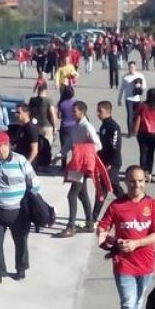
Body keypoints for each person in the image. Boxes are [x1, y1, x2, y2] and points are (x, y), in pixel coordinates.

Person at [96, 165, 155, 309]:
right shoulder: (116, 206)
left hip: (146, 266)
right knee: (128, 305)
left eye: (141, 180)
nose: (137, 185)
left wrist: (136, 243)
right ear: (125, 182)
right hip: (124, 266)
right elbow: (101, 231)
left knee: (137, 303)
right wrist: (115, 243)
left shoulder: (153, 205)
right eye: (133, 181)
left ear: (146, 181)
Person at [0, 132, 41, 288]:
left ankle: (21, 268)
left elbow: (34, 183)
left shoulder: (20, 161)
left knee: (20, 241)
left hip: (18, 211)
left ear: (7, 145)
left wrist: (31, 199)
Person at [57, 101, 102, 237]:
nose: (72, 113)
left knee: (72, 195)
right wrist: (60, 155)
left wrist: (84, 151)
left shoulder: (87, 127)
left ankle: (70, 226)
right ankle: (89, 223)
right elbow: (69, 143)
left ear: (82, 112)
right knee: (82, 194)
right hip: (77, 163)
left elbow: (98, 145)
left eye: (74, 111)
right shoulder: (74, 127)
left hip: (83, 165)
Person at [134, 89, 155, 178]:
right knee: (151, 153)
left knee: (143, 152)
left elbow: (136, 115)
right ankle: (149, 172)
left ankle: (143, 171)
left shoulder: (142, 106)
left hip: (142, 132)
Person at [96, 101, 124, 200]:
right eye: (97, 111)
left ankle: (126, 202)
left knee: (113, 184)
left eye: (100, 111)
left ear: (108, 111)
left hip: (113, 162)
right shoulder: (103, 126)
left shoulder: (113, 127)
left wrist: (111, 162)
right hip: (105, 162)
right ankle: (94, 215)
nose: (98, 114)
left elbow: (116, 147)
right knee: (102, 187)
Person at [27, 80, 58, 156]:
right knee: (47, 145)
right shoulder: (49, 100)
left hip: (34, 126)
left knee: (36, 145)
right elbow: (52, 114)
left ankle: (37, 160)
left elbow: (28, 112)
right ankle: (45, 161)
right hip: (46, 126)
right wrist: (55, 127)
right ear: (46, 90)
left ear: (38, 90)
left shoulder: (32, 100)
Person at [118, 62, 145, 135]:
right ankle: (130, 132)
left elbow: (144, 86)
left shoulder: (140, 75)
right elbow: (122, 89)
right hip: (128, 99)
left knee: (137, 115)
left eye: (133, 67)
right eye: (130, 67)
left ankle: (136, 130)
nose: (131, 69)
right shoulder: (125, 77)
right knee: (130, 115)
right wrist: (119, 99)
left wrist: (139, 86)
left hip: (137, 99)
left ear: (135, 67)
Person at [57, 85, 78, 164]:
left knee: (64, 147)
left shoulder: (61, 103)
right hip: (74, 126)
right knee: (75, 147)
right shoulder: (75, 103)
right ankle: (75, 163)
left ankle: (63, 165)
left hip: (64, 127)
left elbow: (59, 116)